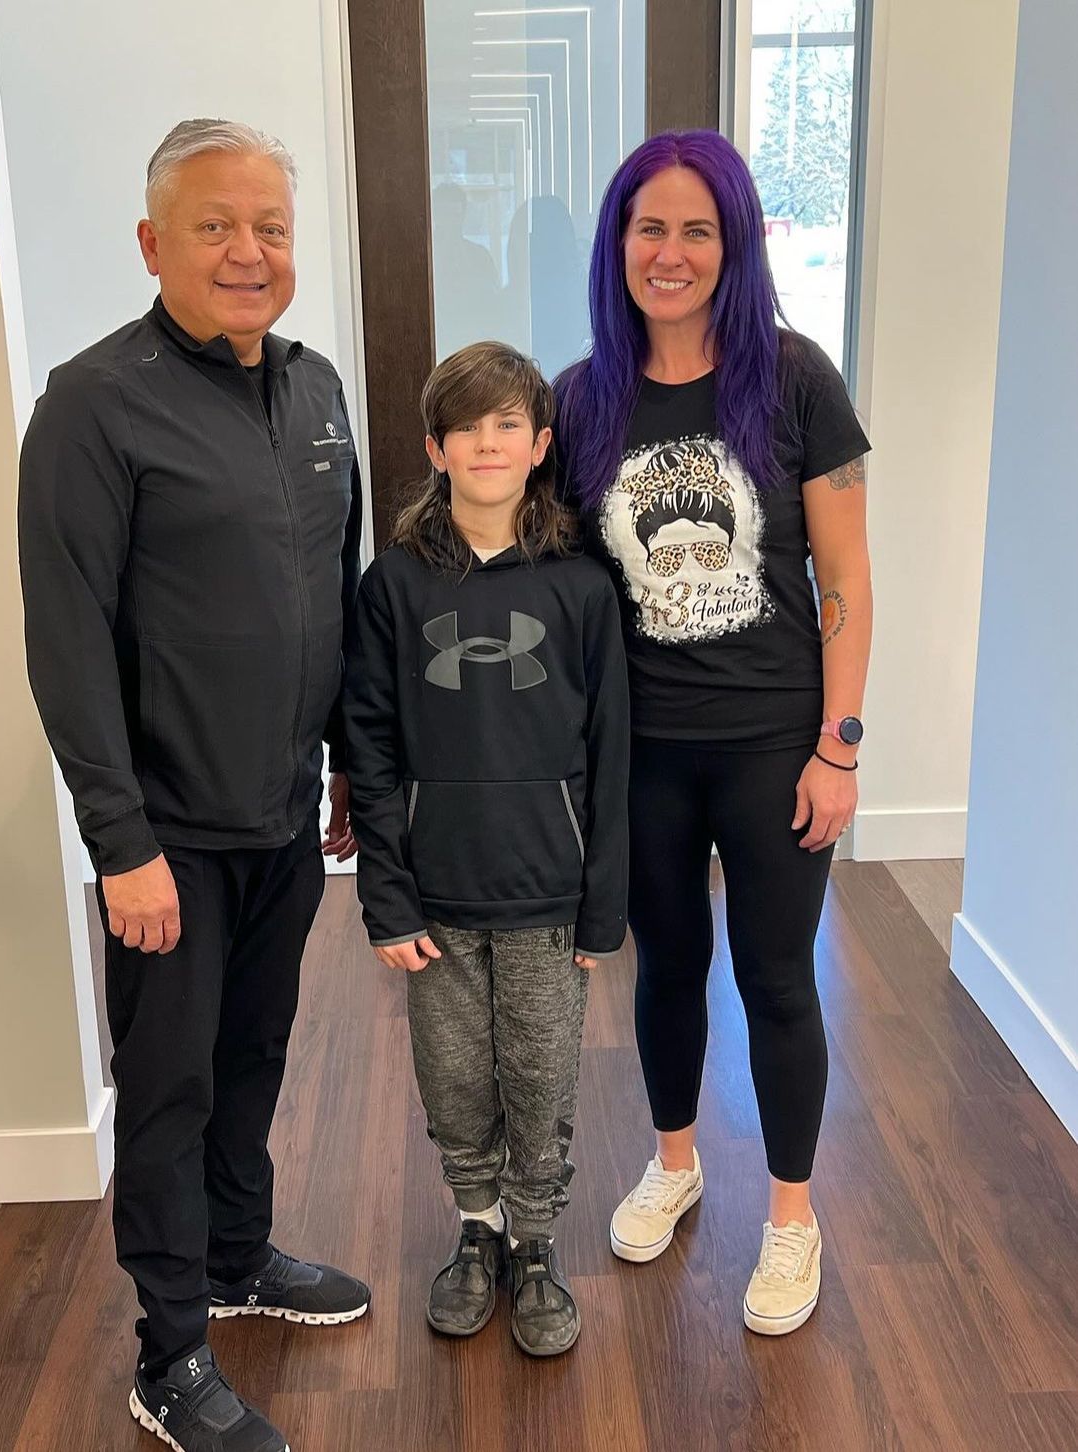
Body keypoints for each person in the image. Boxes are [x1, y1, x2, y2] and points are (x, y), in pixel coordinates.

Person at [18, 119, 370, 1452]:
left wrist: (342, 757)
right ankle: (168, 1354)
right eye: (216, 225)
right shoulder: (93, 405)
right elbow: (65, 639)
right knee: (165, 1088)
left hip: (285, 811)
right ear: (153, 242)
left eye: (271, 227)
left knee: (254, 1056)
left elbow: (327, 597)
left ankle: (237, 1255)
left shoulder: (316, 387)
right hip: (167, 832)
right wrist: (120, 843)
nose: (248, 251)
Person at [554, 130, 872, 1337]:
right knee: (668, 968)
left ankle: (792, 1218)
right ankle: (676, 1160)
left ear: (733, 244)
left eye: (699, 229)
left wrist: (838, 745)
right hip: (645, 754)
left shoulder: (795, 381)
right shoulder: (581, 400)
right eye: (650, 228)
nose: (671, 252)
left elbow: (847, 577)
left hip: (774, 747)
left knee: (778, 978)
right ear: (618, 245)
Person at [344, 342, 628, 1357]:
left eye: (510, 423)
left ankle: (538, 1240)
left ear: (542, 443)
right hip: (438, 893)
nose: (489, 442)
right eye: (468, 426)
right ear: (436, 447)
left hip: (549, 893)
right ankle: (480, 1229)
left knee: (543, 1074)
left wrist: (605, 904)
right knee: (456, 1076)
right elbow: (367, 746)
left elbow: (611, 754)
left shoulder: (582, 591)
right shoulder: (395, 587)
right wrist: (387, 896)